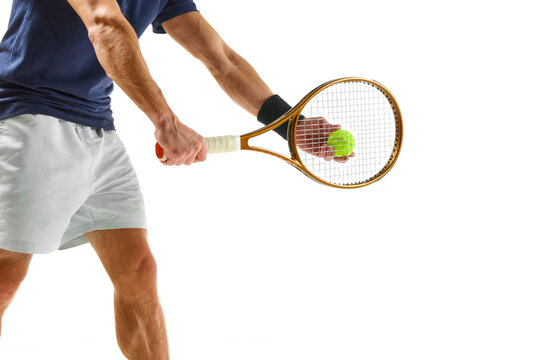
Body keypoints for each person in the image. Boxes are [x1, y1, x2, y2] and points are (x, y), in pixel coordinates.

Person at [0, 0, 349, 358]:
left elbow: (221, 59)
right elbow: (104, 23)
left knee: (138, 270)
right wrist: (165, 121)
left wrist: (292, 127)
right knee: (5, 274)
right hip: (27, 116)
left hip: (97, 126)